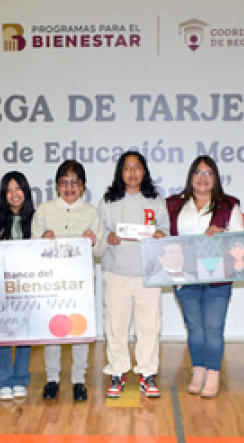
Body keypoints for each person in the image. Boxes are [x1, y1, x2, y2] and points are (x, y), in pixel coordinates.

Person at [167, 155, 244, 398]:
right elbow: (165, 236)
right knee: (194, 329)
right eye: (198, 173)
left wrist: (222, 233)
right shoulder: (173, 205)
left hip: (218, 279)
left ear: (216, 178)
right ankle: (198, 371)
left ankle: (213, 374)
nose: (203, 178)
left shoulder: (229, 205)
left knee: (213, 328)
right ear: (191, 177)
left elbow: (240, 241)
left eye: (208, 173)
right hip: (185, 278)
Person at [98, 151, 170, 399]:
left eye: (136, 167)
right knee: (115, 326)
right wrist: (107, 236)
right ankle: (117, 372)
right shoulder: (108, 200)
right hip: (116, 273)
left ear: (144, 171)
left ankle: (147, 373)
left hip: (148, 274)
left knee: (149, 326)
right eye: (127, 168)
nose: (132, 173)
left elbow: (165, 228)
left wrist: (160, 234)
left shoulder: (155, 200)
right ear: (120, 172)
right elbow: (99, 230)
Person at [32, 160, 105, 402]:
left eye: (75, 182)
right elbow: (31, 249)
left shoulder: (91, 213)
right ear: (57, 185)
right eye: (64, 182)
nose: (69, 187)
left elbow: (101, 252)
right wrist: (42, 240)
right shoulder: (44, 211)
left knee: (79, 329)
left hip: (81, 285)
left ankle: (78, 380)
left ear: (83, 186)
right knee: (53, 331)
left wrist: (93, 241)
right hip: (51, 283)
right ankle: (52, 379)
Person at [0, 171, 36, 400]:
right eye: (9, 190)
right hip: (0, 287)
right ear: (3, 194)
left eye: (18, 188)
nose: (14, 194)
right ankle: (3, 380)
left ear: (26, 192)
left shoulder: (36, 217)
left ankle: (21, 378)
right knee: (2, 334)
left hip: (27, 287)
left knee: (24, 335)